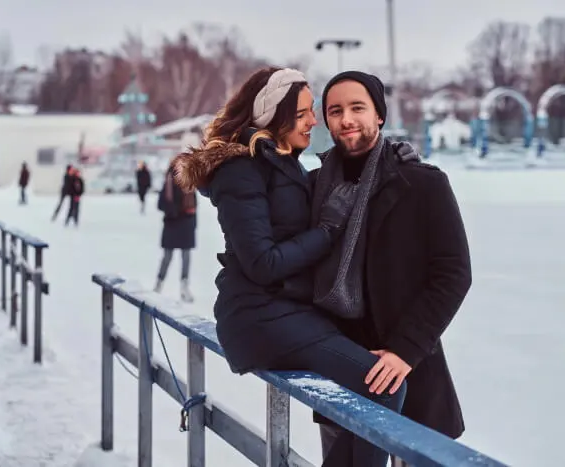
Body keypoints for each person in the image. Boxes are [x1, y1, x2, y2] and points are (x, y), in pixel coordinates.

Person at [172, 67, 419, 466]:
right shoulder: (241, 170)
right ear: (275, 114)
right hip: (261, 316)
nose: (314, 121)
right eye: (304, 112)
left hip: (285, 311)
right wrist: (326, 230)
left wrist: (389, 161)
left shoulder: (281, 165)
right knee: (383, 386)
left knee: (378, 382)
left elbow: (328, 184)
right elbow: (263, 263)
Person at [313, 71, 473, 464]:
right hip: (342, 373)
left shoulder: (424, 184)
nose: (346, 119)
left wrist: (405, 350)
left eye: (357, 108)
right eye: (336, 111)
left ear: (379, 115)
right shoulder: (315, 188)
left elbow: (453, 273)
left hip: (410, 371)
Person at [154, 164, 197, 302]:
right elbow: (160, 203)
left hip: (185, 224)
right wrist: (171, 210)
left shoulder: (189, 183)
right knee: (168, 256)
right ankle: (159, 284)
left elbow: (194, 205)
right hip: (173, 223)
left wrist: (194, 224)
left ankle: (184, 287)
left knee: (185, 257)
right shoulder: (169, 182)